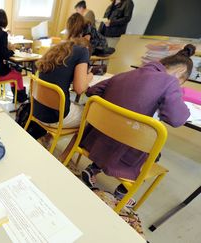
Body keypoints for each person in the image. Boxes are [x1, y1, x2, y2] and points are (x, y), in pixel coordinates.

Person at [80, 44, 194, 207]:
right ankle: (122, 190)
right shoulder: (169, 82)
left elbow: (92, 92)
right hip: (126, 147)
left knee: (126, 130)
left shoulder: (126, 74)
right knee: (155, 152)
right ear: (180, 73)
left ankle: (93, 168)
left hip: (98, 139)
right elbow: (177, 119)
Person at [34, 38, 93, 133]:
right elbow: (79, 89)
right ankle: (73, 147)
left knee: (74, 105)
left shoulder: (58, 50)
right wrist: (89, 76)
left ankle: (47, 138)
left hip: (37, 111)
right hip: (55, 117)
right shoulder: (83, 50)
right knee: (93, 117)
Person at [0, 9, 28, 103]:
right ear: (4, 20)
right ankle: (21, 99)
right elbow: (4, 55)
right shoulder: (3, 34)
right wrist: (11, 50)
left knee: (13, 71)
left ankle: (17, 97)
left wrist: (7, 49)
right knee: (17, 75)